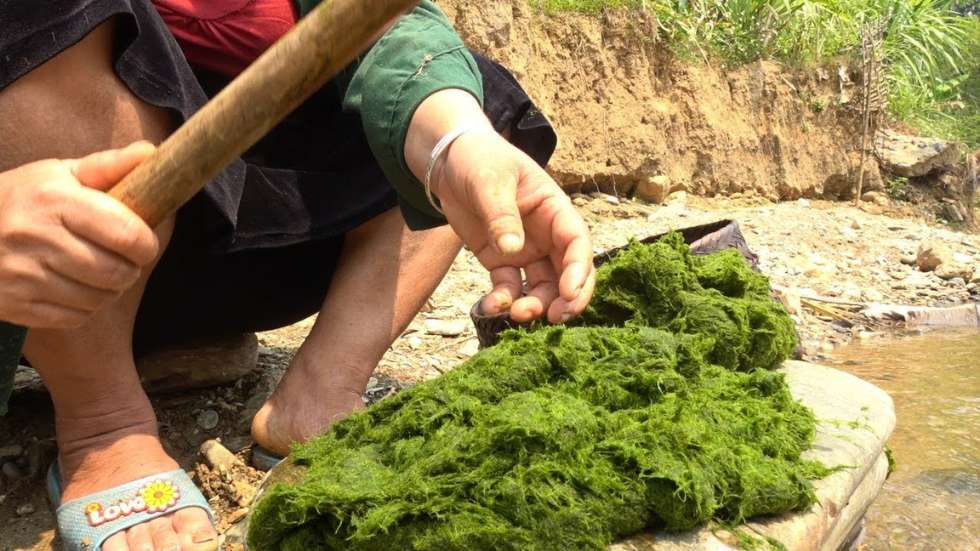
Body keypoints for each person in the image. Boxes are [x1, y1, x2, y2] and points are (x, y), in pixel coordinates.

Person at [0, 1, 595, 550]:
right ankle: (104, 423)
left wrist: (454, 143)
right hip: (47, 268)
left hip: (266, 239)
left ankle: (321, 392)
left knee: (465, 94)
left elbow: (394, 27)